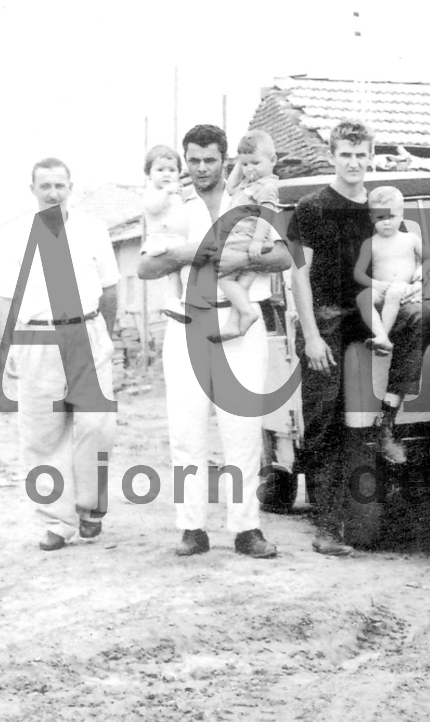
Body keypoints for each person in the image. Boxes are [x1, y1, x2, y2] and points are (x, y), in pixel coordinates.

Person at [138, 124, 292, 559]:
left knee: (241, 429)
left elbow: (282, 255)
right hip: (187, 323)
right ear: (185, 160)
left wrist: (241, 257)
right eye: (194, 160)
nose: (201, 168)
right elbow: (146, 268)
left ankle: (246, 529)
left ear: (226, 160)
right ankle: (192, 528)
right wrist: (197, 251)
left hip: (240, 325)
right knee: (187, 430)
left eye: (210, 160)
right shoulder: (171, 201)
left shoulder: (246, 195)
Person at [288, 120, 430, 554]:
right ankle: (328, 526)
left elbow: (398, 255)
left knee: (418, 317)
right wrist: (311, 335)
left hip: (368, 312)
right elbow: (298, 272)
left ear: (371, 156)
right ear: (332, 155)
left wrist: (414, 280)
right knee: (326, 417)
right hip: (327, 318)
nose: (354, 162)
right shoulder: (312, 207)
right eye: (345, 154)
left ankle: (389, 419)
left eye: (360, 154)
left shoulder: (376, 208)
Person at [17, 158, 119, 551]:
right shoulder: (18, 236)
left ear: (70, 187)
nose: (53, 193)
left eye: (60, 185)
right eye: (45, 186)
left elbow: (110, 288)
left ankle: (90, 507)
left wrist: (104, 333)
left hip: (87, 332)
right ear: (33, 189)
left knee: (98, 425)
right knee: (44, 435)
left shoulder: (92, 229)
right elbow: (5, 297)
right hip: (38, 339)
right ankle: (56, 522)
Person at [211, 130, 281, 343]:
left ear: (272, 161)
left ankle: (247, 312)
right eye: (245, 164)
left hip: (247, 239)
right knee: (240, 285)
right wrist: (239, 164)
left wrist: (258, 241)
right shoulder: (247, 185)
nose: (250, 169)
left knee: (222, 275)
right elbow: (230, 187)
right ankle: (234, 323)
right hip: (246, 241)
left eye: (255, 163)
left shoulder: (267, 186)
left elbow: (267, 214)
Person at [354, 186, 430, 355]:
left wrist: (422, 269)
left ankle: (384, 338)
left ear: (401, 216)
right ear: (371, 218)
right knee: (363, 297)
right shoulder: (370, 243)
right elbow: (358, 273)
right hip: (381, 288)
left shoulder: (410, 239)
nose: (386, 222)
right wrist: (375, 284)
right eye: (380, 217)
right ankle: (381, 336)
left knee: (394, 293)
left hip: (403, 288)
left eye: (391, 216)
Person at [141, 145, 191, 323]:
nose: (166, 174)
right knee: (179, 271)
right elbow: (153, 207)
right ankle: (173, 300)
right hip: (160, 241)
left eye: (172, 170)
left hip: (176, 241)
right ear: (149, 174)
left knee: (178, 274)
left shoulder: (177, 194)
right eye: (160, 170)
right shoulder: (151, 192)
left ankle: (174, 301)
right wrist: (166, 192)